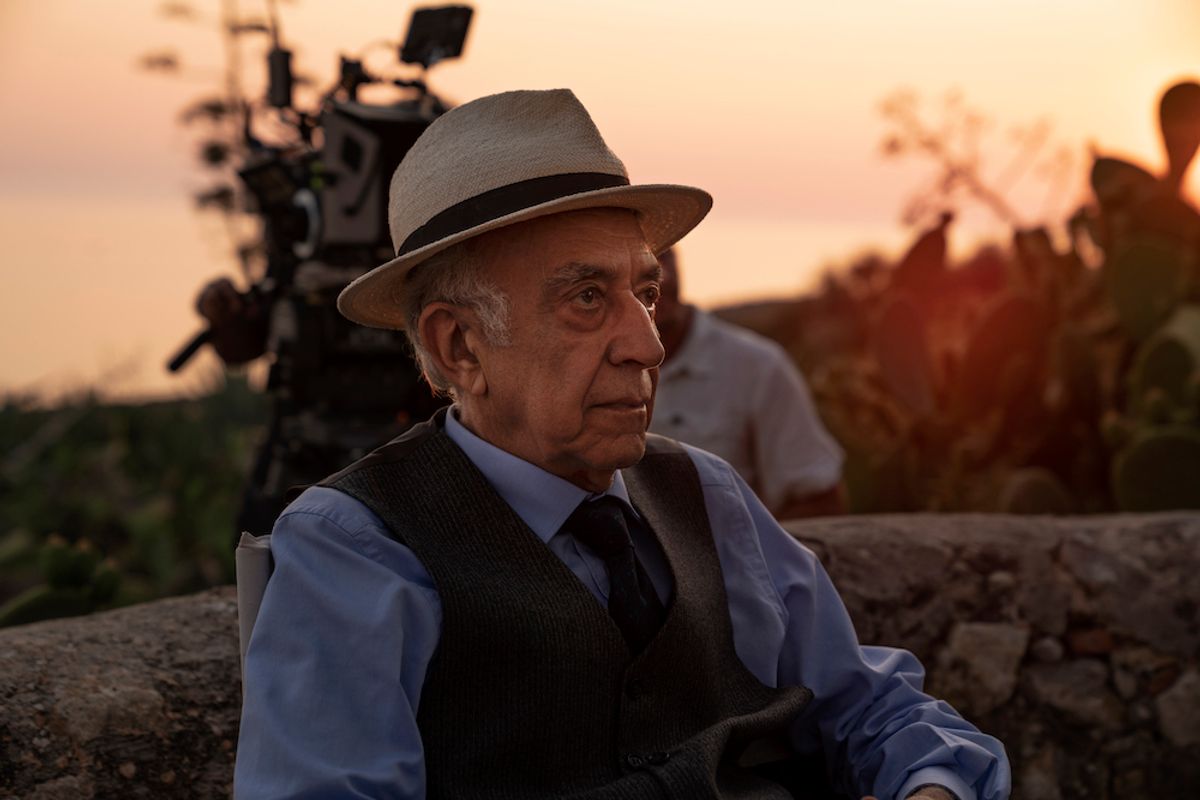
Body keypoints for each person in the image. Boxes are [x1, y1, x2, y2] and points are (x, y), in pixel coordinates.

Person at [234, 88, 1010, 800]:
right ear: (459, 346)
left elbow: (873, 707)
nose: (648, 344)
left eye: (645, 292)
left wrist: (932, 789)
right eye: (586, 299)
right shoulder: (358, 548)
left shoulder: (704, 494)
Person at [650, 248, 844, 518]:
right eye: (640, 260)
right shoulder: (589, 368)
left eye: (665, 255)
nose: (664, 277)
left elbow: (819, 499)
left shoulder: (757, 366)